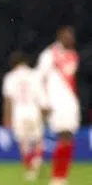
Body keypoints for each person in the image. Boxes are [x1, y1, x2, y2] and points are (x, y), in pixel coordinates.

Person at [37, 26, 80, 185]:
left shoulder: (73, 55)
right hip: (56, 103)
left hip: (70, 102)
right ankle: (57, 177)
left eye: (72, 36)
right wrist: (43, 102)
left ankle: (62, 176)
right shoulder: (49, 55)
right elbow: (39, 79)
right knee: (63, 136)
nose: (71, 39)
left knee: (69, 138)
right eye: (68, 36)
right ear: (60, 36)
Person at [3, 51, 47, 181]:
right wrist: (44, 112)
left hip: (19, 113)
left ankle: (30, 172)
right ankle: (37, 159)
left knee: (24, 142)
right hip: (33, 111)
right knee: (38, 139)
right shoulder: (34, 75)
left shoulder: (10, 77)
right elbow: (41, 96)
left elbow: (8, 100)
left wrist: (7, 118)